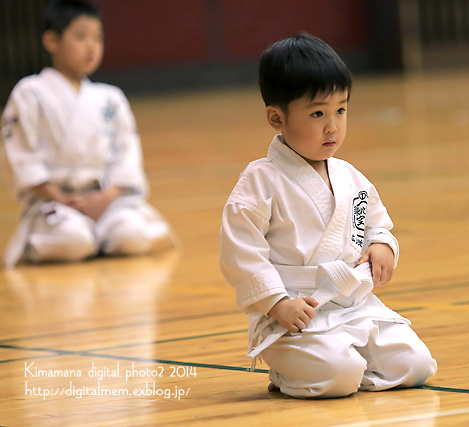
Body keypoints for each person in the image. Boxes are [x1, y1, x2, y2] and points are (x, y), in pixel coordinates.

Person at [219, 33, 437, 398]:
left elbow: (377, 224)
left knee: (414, 364)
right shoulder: (259, 181)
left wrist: (383, 245)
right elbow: (240, 254)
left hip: (353, 306)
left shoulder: (350, 176)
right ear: (276, 117)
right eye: (317, 113)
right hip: (294, 317)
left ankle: (343, 360)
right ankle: (292, 369)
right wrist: (277, 304)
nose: (332, 125)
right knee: (339, 375)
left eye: (341, 109)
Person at [1, 0, 173, 267]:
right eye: (81, 36)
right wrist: (59, 197)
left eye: (98, 38)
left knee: (131, 236)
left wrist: (108, 196)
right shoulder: (29, 93)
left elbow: (126, 152)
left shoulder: (110, 98)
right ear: (52, 41)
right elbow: (22, 156)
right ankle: (57, 240)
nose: (91, 46)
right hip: (53, 203)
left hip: (104, 200)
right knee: (73, 240)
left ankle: (100, 234)